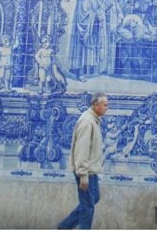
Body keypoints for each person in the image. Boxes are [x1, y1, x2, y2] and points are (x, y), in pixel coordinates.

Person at [58, 92, 108, 230]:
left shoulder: (93, 120)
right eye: (104, 105)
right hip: (86, 171)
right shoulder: (87, 122)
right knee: (88, 207)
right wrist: (83, 174)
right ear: (95, 105)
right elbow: (82, 149)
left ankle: (65, 226)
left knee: (94, 198)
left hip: (91, 170)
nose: (106, 108)